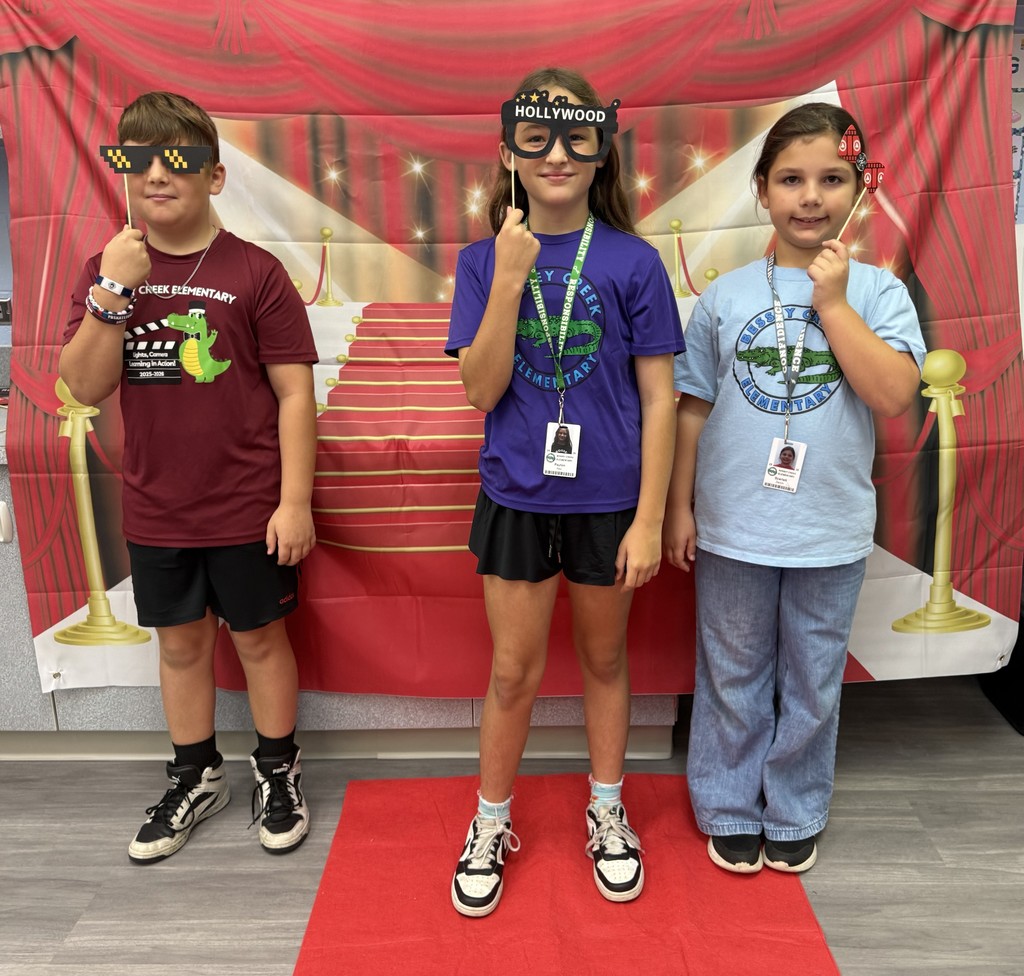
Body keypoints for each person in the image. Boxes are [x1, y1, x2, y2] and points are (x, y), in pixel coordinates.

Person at [445, 68, 684, 917]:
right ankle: (490, 820)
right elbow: (479, 390)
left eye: (576, 136)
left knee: (606, 659)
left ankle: (608, 807)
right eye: (536, 135)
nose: (556, 154)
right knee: (511, 670)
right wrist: (509, 277)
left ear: (601, 150)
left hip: (610, 500)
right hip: (516, 495)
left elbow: (662, 397)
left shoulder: (633, 260)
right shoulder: (481, 261)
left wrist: (652, 516)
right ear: (508, 148)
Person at [664, 102, 926, 875]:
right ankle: (727, 803)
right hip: (735, 523)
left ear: (858, 190)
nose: (810, 196)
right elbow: (692, 406)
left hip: (829, 526)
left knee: (812, 677)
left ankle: (797, 805)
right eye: (791, 179)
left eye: (831, 179)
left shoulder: (879, 292)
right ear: (761, 190)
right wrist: (679, 505)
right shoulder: (724, 297)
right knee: (733, 670)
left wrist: (834, 304)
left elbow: (890, 395)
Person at [60, 92, 318, 864]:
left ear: (214, 175)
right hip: (157, 507)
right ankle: (195, 774)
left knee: (261, 640)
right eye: (135, 158)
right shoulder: (107, 271)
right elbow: (81, 385)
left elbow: (295, 394)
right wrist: (113, 291)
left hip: (248, 507)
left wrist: (295, 500)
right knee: (179, 648)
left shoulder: (255, 271)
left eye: (174, 158)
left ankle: (277, 770)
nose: (154, 174)